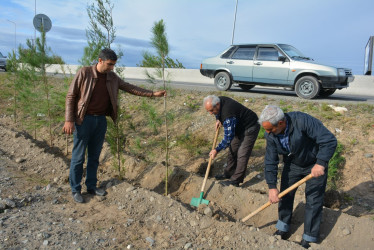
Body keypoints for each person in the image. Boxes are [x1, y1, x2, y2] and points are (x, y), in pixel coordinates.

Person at [63, 48, 166, 203]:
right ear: (100, 61)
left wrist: (152, 93)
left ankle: (91, 186)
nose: (111, 68)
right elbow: (71, 96)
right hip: (83, 120)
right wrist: (69, 119)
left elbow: (130, 87)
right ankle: (75, 189)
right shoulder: (84, 73)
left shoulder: (112, 77)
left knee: (94, 157)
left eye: (113, 65)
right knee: (78, 158)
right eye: (109, 64)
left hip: (100, 121)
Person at [258, 105, 337, 249]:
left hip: (314, 164)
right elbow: (270, 160)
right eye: (265, 129)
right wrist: (271, 186)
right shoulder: (270, 135)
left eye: (270, 129)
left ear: (281, 123)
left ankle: (309, 237)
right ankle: (283, 227)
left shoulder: (302, 121)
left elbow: (329, 140)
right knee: (285, 194)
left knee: (313, 200)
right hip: (293, 163)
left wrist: (321, 163)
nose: (267, 132)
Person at [203, 95, 260, 187]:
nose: (210, 113)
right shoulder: (219, 100)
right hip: (238, 127)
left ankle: (235, 180)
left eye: (211, 110)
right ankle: (228, 173)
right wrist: (218, 118)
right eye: (208, 111)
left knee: (242, 154)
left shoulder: (228, 114)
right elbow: (218, 113)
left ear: (217, 104)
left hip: (250, 127)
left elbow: (228, 137)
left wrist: (216, 150)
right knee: (232, 149)